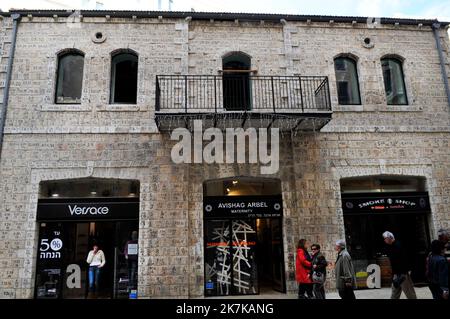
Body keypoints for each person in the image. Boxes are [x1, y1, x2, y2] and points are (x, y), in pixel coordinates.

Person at [382, 231, 417, 299]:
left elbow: (404, 259)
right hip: (396, 274)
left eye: (385, 238)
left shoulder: (398, 246)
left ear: (389, 238)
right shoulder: (391, 246)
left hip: (402, 274)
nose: (384, 240)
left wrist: (405, 272)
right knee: (395, 293)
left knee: (410, 293)